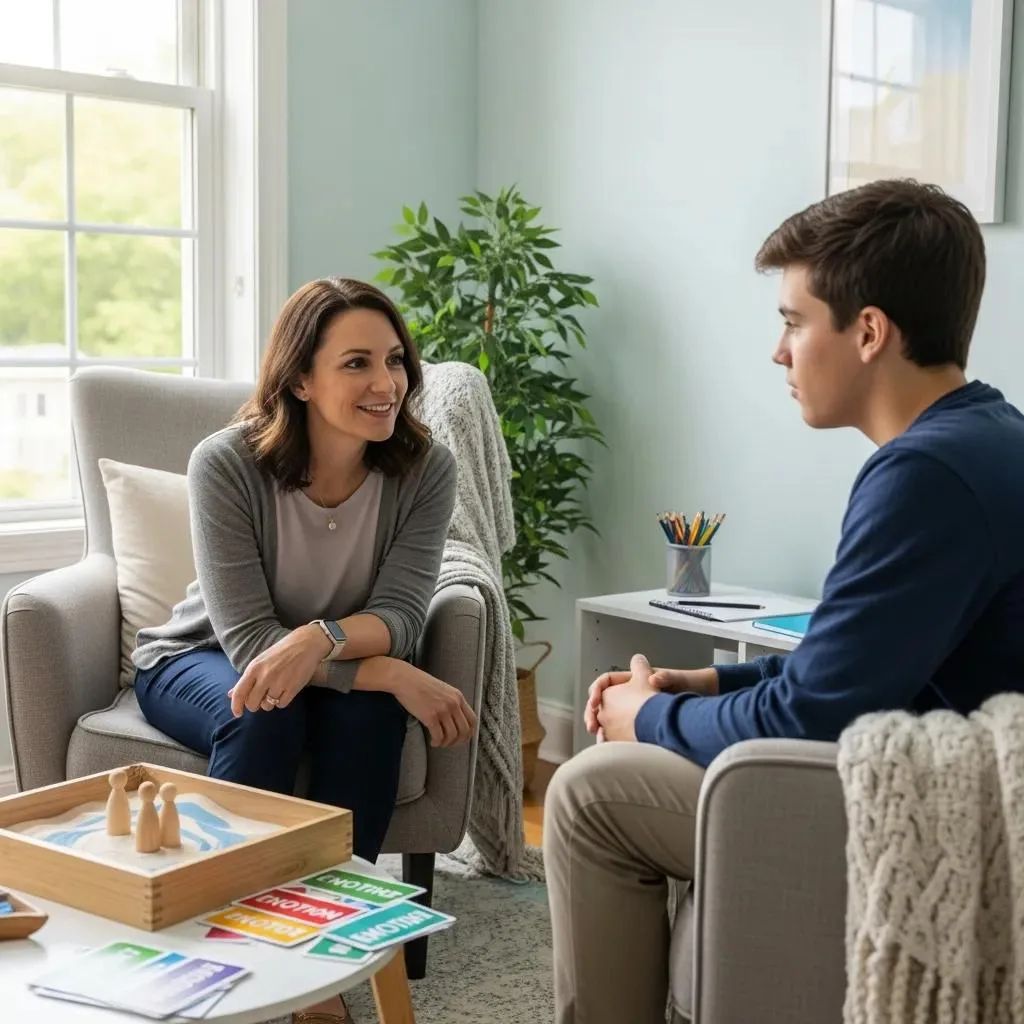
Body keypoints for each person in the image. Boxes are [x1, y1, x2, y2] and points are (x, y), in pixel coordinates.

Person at [544, 179, 1024, 1023]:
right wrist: (707, 686)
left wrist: (642, 718)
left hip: (946, 810)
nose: (779, 351)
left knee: (589, 793)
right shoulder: (988, 436)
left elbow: (814, 719)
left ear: (868, 331)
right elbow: (875, 669)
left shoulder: (923, 475)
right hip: (953, 754)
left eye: (794, 321)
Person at [133, 277, 477, 1024]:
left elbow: (402, 612)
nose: (386, 384)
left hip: (316, 665)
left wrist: (326, 641)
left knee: (369, 721)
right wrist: (385, 670)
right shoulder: (225, 462)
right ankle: (220, 958)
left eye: (395, 361)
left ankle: (317, 971)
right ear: (299, 377)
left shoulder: (425, 469)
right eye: (356, 363)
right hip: (194, 656)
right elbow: (252, 642)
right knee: (266, 716)